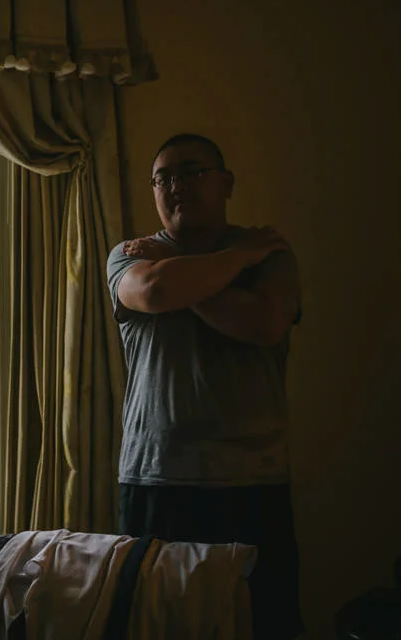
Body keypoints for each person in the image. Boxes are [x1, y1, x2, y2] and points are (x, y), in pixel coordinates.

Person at [107, 133, 303, 640]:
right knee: (154, 627)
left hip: (251, 482)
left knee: (260, 625)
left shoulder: (271, 256)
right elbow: (152, 290)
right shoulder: (129, 256)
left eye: (191, 172)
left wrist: (185, 271)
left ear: (225, 183)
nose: (176, 186)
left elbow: (261, 324)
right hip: (155, 480)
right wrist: (232, 261)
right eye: (163, 177)